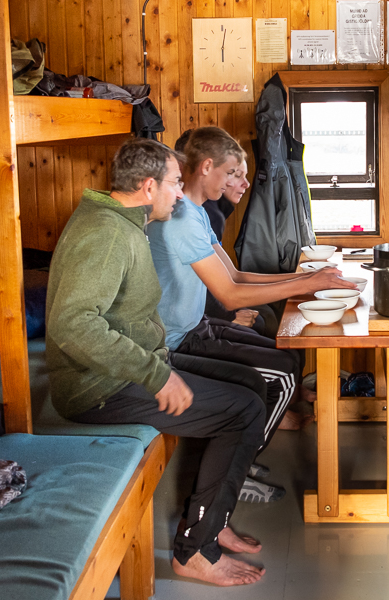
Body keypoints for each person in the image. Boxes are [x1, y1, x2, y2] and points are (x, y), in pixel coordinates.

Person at [46, 138, 267, 586]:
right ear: (148, 186)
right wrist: (158, 374)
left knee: (251, 384)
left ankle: (214, 516)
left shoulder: (122, 218)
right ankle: (194, 551)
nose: (181, 194)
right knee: (241, 411)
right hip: (98, 389)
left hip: (131, 366)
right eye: (174, 184)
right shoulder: (106, 234)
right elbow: (72, 324)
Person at [147, 127, 357, 500]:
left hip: (196, 327)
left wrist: (302, 276)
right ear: (207, 167)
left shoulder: (195, 213)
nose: (240, 182)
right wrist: (307, 285)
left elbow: (237, 274)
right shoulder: (181, 220)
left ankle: (236, 461)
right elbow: (229, 295)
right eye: (233, 173)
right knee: (283, 375)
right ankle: (232, 470)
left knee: (285, 359)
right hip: (174, 341)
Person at [174, 128, 271, 337]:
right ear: (206, 167)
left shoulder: (203, 211)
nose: (245, 183)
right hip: (190, 326)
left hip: (203, 315)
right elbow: (205, 283)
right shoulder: (199, 213)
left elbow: (231, 275)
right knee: (265, 321)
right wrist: (229, 317)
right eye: (233, 174)